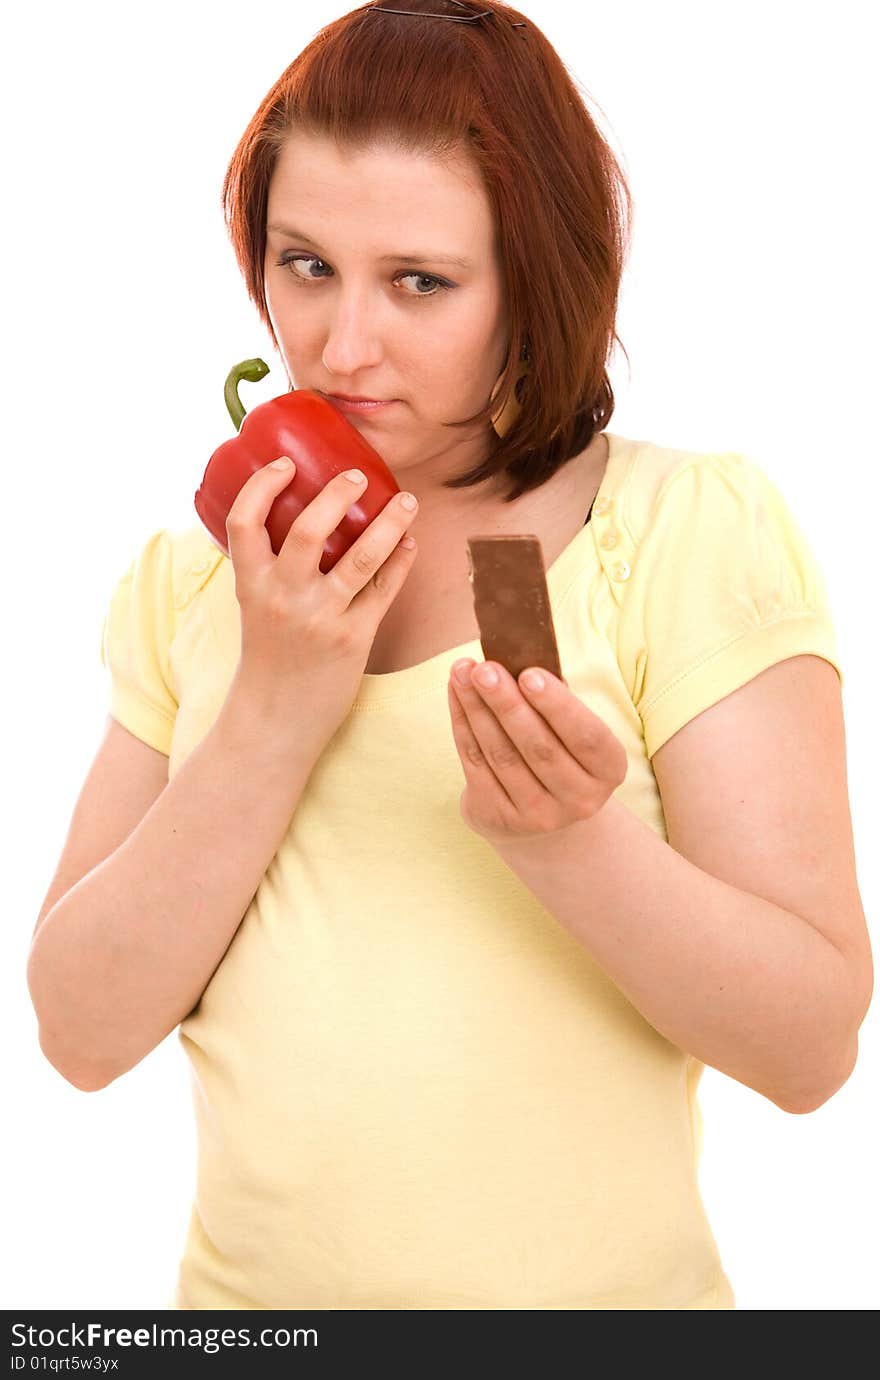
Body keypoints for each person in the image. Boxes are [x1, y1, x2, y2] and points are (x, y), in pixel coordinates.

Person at [26, 0, 872, 1312]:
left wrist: (564, 840)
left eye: (419, 281)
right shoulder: (201, 573)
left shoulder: (661, 534)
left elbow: (811, 1051)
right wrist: (275, 705)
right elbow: (79, 1036)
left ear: (533, 283)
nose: (340, 347)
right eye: (305, 263)